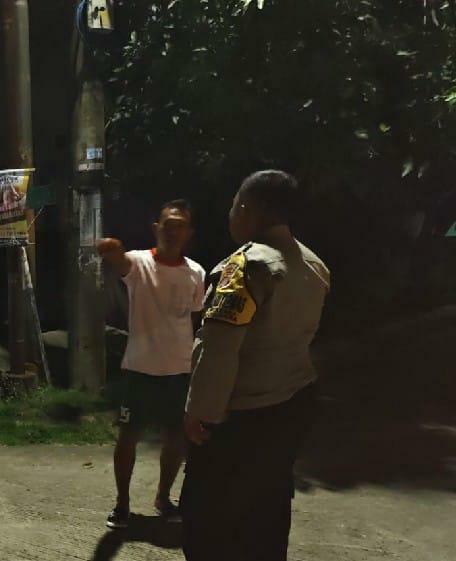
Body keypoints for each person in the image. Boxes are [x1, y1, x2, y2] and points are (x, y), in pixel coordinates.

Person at [180, 171, 330, 561]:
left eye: (233, 205)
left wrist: (200, 412)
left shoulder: (246, 267)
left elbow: (218, 347)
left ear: (246, 208)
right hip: (292, 405)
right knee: (268, 513)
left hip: (242, 418)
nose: (230, 214)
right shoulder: (313, 265)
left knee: (208, 525)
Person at [97, 199, 205, 529]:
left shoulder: (196, 272)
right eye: (168, 225)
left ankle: (163, 497)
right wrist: (112, 250)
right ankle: (122, 504)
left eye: (180, 226)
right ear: (156, 228)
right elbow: (120, 262)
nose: (173, 231)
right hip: (139, 369)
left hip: (179, 370)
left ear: (189, 233)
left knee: (175, 438)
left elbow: (195, 318)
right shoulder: (139, 262)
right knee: (128, 437)